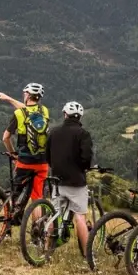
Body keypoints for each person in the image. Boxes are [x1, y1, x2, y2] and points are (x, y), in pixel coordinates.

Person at [45, 101, 93, 256]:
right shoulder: (83, 134)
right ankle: (87, 254)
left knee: (54, 215)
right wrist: (82, 168)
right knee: (80, 216)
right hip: (76, 182)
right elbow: (86, 158)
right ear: (79, 117)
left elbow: (48, 156)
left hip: (57, 180)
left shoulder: (54, 132)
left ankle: (46, 249)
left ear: (65, 114)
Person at [0, 83, 50, 202]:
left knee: (15, 194)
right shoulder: (44, 111)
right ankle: (38, 221)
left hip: (24, 161)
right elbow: (29, 110)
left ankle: (11, 218)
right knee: (37, 198)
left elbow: (5, 138)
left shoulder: (18, 114)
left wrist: (13, 154)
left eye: (25, 93)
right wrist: (9, 99)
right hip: (42, 162)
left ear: (28, 95)